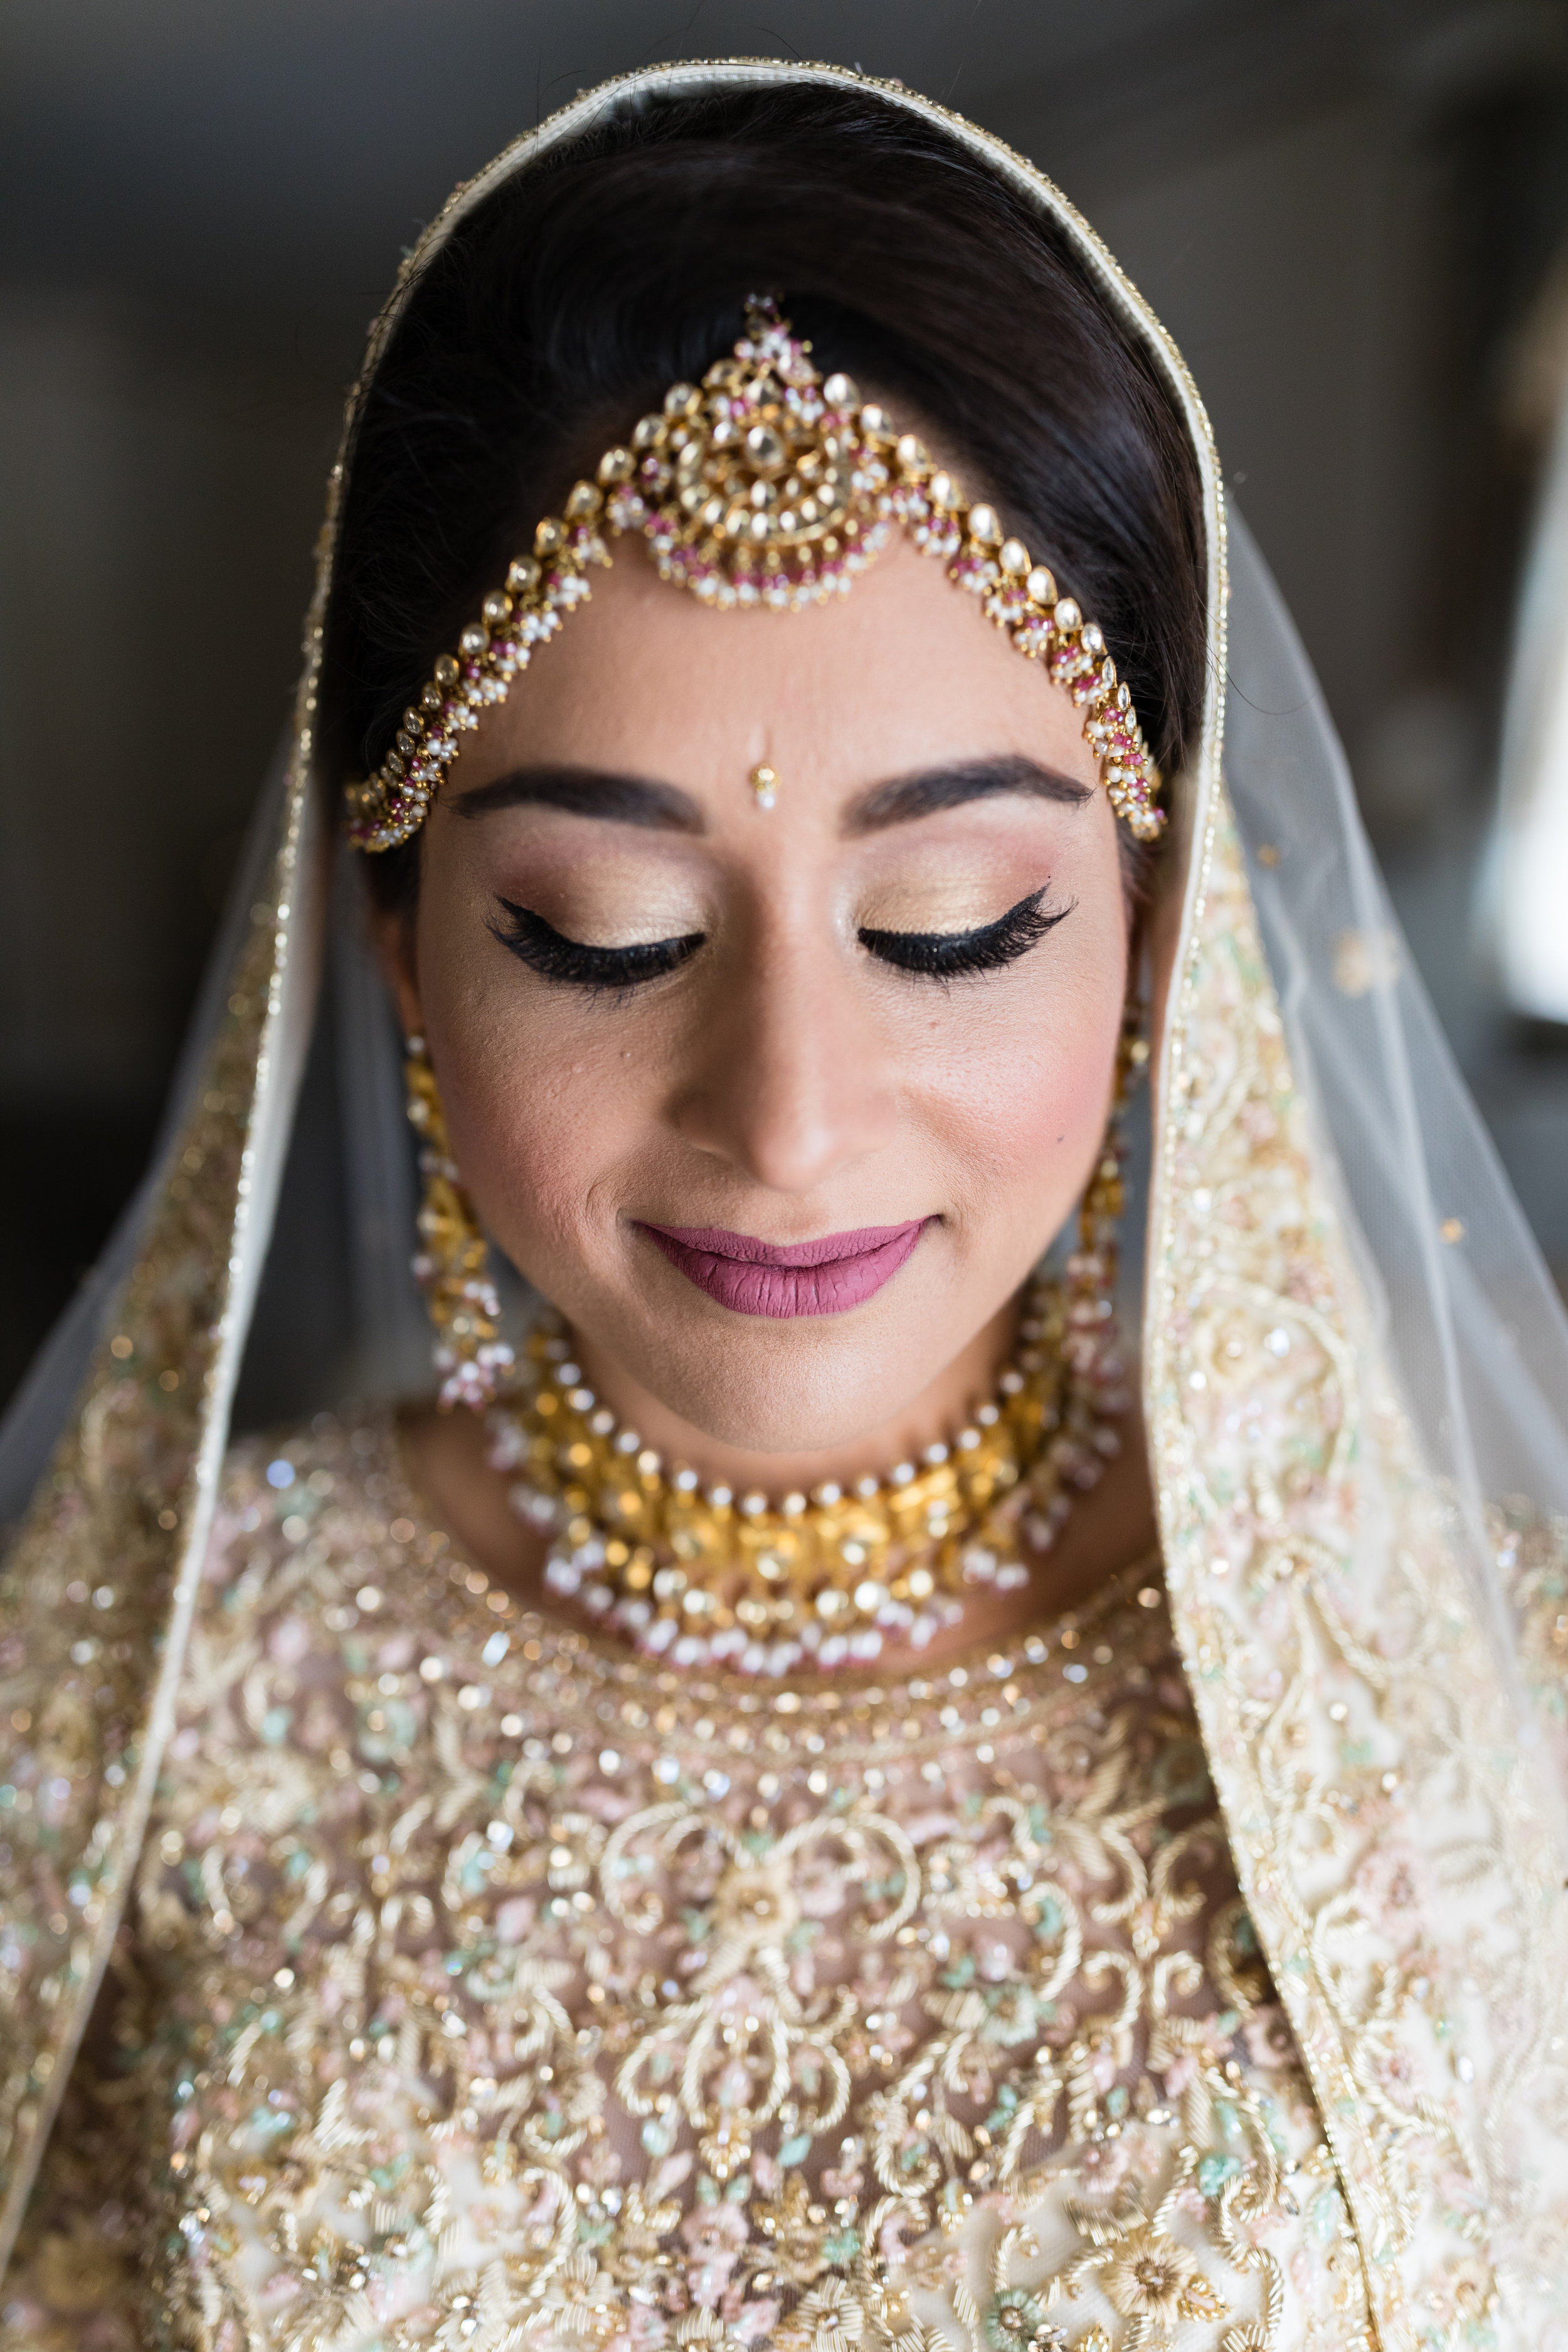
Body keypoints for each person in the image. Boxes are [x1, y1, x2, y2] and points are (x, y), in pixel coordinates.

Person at [2, 62, 1567, 2352]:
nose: (793, 1122)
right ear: (395, 960)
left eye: (948, 924)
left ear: (1153, 946)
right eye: (607, 933)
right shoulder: (138, 1690)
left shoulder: (1484, 1686)